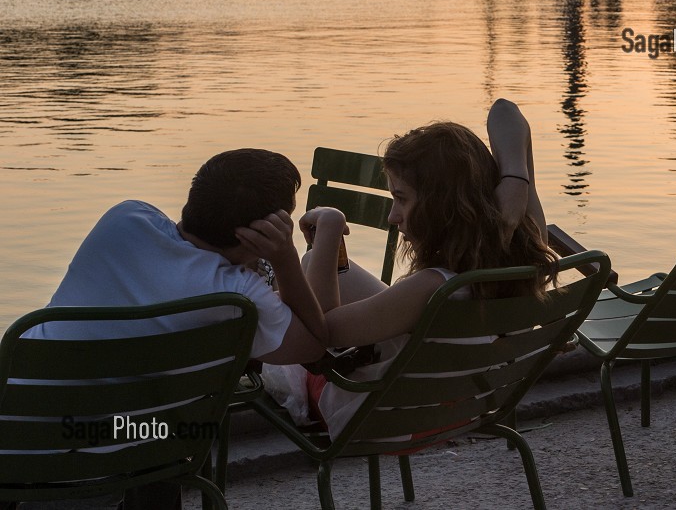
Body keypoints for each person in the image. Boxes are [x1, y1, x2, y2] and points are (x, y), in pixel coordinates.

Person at [30, 149, 332, 508]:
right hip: (104, 454)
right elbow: (314, 343)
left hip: (16, 429)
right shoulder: (236, 296)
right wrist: (284, 257)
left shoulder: (124, 217)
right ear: (261, 232)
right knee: (175, 429)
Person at [294, 100, 554, 437]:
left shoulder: (431, 286)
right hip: (464, 398)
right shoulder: (522, 249)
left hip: (392, 415)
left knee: (294, 337)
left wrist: (328, 229)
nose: (393, 216)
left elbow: (319, 331)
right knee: (314, 264)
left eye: (401, 199)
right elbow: (505, 111)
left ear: (441, 207)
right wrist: (517, 179)